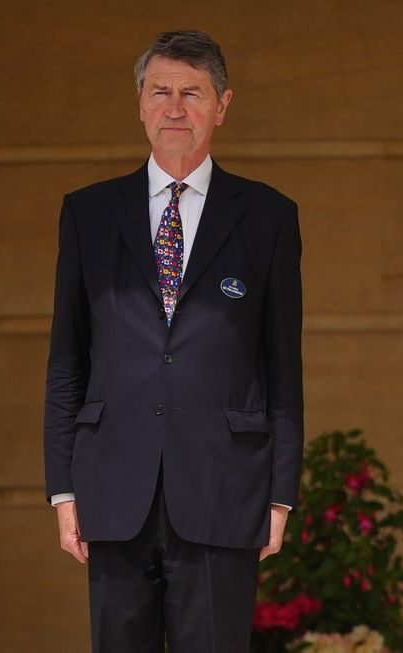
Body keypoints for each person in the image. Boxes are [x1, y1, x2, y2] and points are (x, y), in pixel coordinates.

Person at [43, 30, 303, 652]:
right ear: (140, 103)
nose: (175, 107)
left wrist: (280, 496)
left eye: (193, 92)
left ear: (223, 105)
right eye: (160, 91)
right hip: (112, 486)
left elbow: (282, 369)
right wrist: (62, 488)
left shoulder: (268, 216)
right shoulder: (88, 213)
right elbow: (66, 362)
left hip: (224, 488)